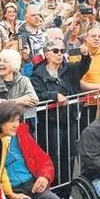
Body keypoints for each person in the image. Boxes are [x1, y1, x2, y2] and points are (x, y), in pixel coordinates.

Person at [30, 39, 90, 186]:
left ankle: (67, 187)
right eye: (56, 51)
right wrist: (53, 95)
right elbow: (36, 95)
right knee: (54, 155)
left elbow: (82, 68)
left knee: (69, 154)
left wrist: (86, 55)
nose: (60, 54)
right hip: (50, 122)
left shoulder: (68, 69)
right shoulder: (37, 74)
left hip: (70, 119)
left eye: (62, 51)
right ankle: (55, 186)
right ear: (47, 54)